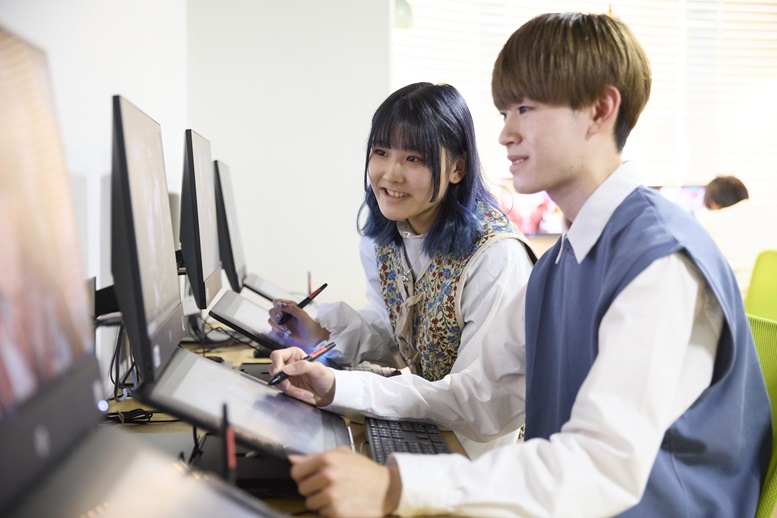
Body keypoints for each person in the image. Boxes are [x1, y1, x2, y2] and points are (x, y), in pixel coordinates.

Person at [268, 12, 771, 517]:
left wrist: (400, 487)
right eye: (505, 112)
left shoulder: (658, 264)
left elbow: (601, 467)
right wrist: (338, 386)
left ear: (600, 109)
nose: (505, 134)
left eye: (525, 109)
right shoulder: (560, 263)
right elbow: (478, 397)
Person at [268, 82, 536, 458]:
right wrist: (319, 336)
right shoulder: (388, 237)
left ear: (457, 168)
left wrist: (341, 388)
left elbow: (480, 402)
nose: (390, 174)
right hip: (428, 428)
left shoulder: (495, 259)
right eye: (381, 152)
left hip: (480, 455)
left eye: (414, 159)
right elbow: (392, 328)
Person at [698, 175, 777, 297]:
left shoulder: (712, 220)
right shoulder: (769, 216)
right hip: (770, 307)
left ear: (712, 203)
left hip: (742, 306)